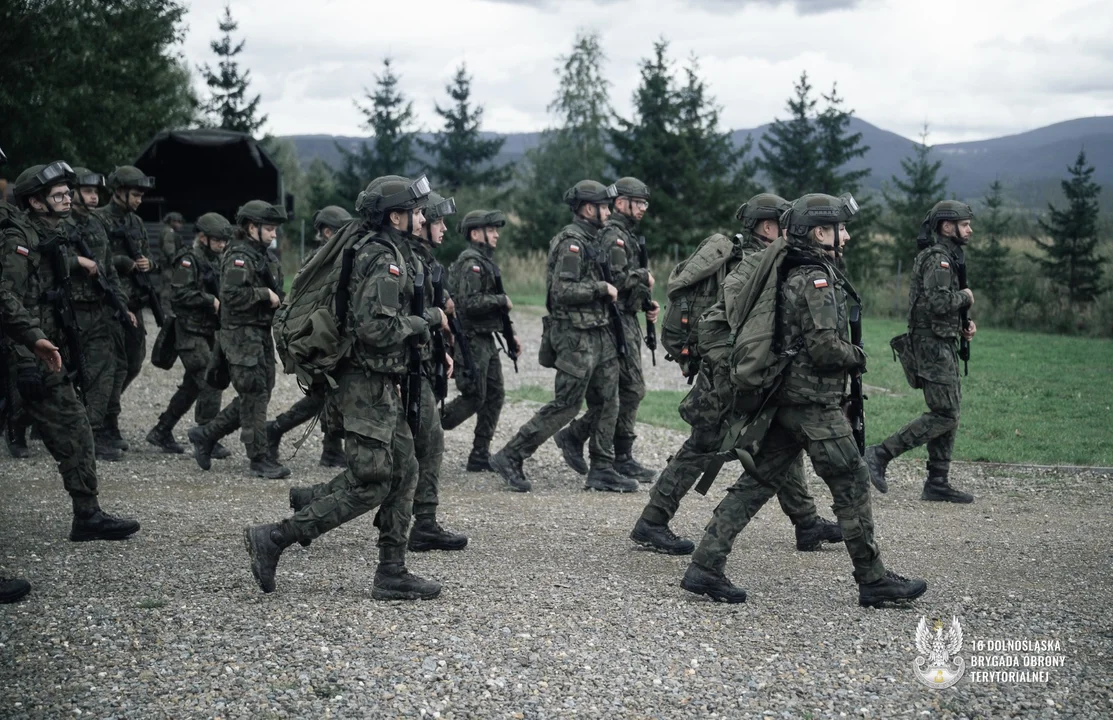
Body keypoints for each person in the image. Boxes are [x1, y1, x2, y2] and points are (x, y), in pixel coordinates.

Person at [681, 193, 925, 608]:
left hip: (786, 401)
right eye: (839, 229)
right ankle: (873, 579)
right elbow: (825, 347)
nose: (845, 236)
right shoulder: (815, 279)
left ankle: (705, 565)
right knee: (852, 479)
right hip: (812, 405)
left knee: (757, 482)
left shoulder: (789, 268)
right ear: (818, 232)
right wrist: (858, 356)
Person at [244, 175, 441, 600]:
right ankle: (275, 538)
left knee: (405, 470)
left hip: (377, 382)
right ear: (395, 217)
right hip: (363, 385)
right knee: (372, 481)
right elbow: (375, 329)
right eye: (416, 212)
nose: (423, 218)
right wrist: (425, 321)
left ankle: (392, 571)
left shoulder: (383, 249)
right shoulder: (381, 258)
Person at [631, 194, 842, 555]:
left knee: (779, 442)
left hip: (740, 373)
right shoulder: (752, 265)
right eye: (784, 223)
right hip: (728, 376)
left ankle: (807, 523)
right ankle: (652, 521)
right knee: (702, 446)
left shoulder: (760, 260)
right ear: (768, 226)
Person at [2, 161, 140, 541]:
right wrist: (30, 346)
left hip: (41, 350)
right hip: (22, 352)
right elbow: (7, 299)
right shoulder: (18, 238)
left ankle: (87, 515)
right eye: (59, 194)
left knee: (74, 424)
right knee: (72, 423)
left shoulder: (54, 233)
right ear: (36, 202)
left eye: (68, 193)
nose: (67, 198)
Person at [489, 180, 637, 493]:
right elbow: (561, 291)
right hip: (574, 336)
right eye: (604, 206)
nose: (609, 212)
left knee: (609, 400)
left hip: (599, 332)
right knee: (567, 405)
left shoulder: (592, 239)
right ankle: (511, 454)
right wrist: (600, 288)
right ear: (588, 209)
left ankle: (602, 468)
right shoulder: (572, 242)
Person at [865, 201, 977, 504]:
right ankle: (880, 454)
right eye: (964, 224)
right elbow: (938, 303)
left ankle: (937, 482)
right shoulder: (938, 259)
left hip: (941, 342)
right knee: (945, 413)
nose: (969, 230)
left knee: (949, 411)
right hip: (931, 346)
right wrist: (966, 297)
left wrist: (962, 326)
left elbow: (937, 307)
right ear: (947, 227)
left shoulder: (947, 257)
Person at [555, 177, 659, 482]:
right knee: (629, 390)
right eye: (638, 203)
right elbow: (617, 280)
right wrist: (643, 277)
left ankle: (613, 452)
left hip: (626, 317)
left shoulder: (625, 234)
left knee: (628, 390)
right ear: (621, 203)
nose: (643, 208)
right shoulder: (614, 235)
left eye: (645, 203)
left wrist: (645, 302)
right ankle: (588, 441)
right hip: (616, 320)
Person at [187, 201, 289, 478]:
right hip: (241, 336)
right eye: (269, 229)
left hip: (260, 334)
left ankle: (206, 435)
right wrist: (264, 294)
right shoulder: (239, 257)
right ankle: (259, 458)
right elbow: (231, 296)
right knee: (254, 393)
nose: (274, 234)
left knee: (259, 392)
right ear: (252, 227)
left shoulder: (263, 256)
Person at [264, 205, 352, 468]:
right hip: (319, 336)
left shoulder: (335, 257)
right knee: (322, 394)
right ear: (327, 233)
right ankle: (275, 429)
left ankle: (331, 449)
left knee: (331, 392)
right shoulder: (319, 261)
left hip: (331, 334)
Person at [146, 212, 233, 457]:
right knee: (210, 381)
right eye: (218, 240)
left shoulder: (218, 260)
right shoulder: (188, 260)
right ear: (203, 238)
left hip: (208, 332)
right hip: (189, 333)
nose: (222, 244)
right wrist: (209, 300)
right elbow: (178, 293)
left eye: (224, 241)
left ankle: (162, 430)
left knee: (192, 387)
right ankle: (207, 436)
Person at [440, 209, 520, 472]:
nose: (496, 235)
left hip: (486, 339)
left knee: (495, 395)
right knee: (474, 395)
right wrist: (501, 300)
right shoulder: (471, 263)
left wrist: (510, 334)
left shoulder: (485, 262)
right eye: (491, 230)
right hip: (472, 340)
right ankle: (428, 426)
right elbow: (469, 304)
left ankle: (479, 454)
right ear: (475, 234)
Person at [67, 168, 136, 461]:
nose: (94, 197)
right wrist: (77, 261)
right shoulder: (59, 223)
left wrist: (122, 305)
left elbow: (109, 271)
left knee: (104, 370)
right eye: (87, 191)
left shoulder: (96, 224)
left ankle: (93, 434)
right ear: (72, 193)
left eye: (96, 192)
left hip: (97, 310)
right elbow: (45, 260)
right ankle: (21, 426)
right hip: (67, 311)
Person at [96, 165, 157, 452]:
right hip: (109, 303)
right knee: (114, 366)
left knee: (134, 361)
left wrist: (148, 264)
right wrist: (123, 262)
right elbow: (96, 259)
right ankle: (106, 421)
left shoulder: (136, 222)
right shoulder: (99, 219)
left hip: (135, 302)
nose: (139, 200)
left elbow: (149, 256)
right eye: (135, 195)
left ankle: (102, 409)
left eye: (141, 196)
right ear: (119, 191)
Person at [157, 212, 184, 308]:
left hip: (167, 264)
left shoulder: (167, 231)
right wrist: (175, 262)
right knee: (167, 287)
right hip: (168, 265)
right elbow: (169, 249)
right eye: (177, 222)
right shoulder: (169, 232)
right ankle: (166, 309)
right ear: (172, 221)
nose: (180, 225)